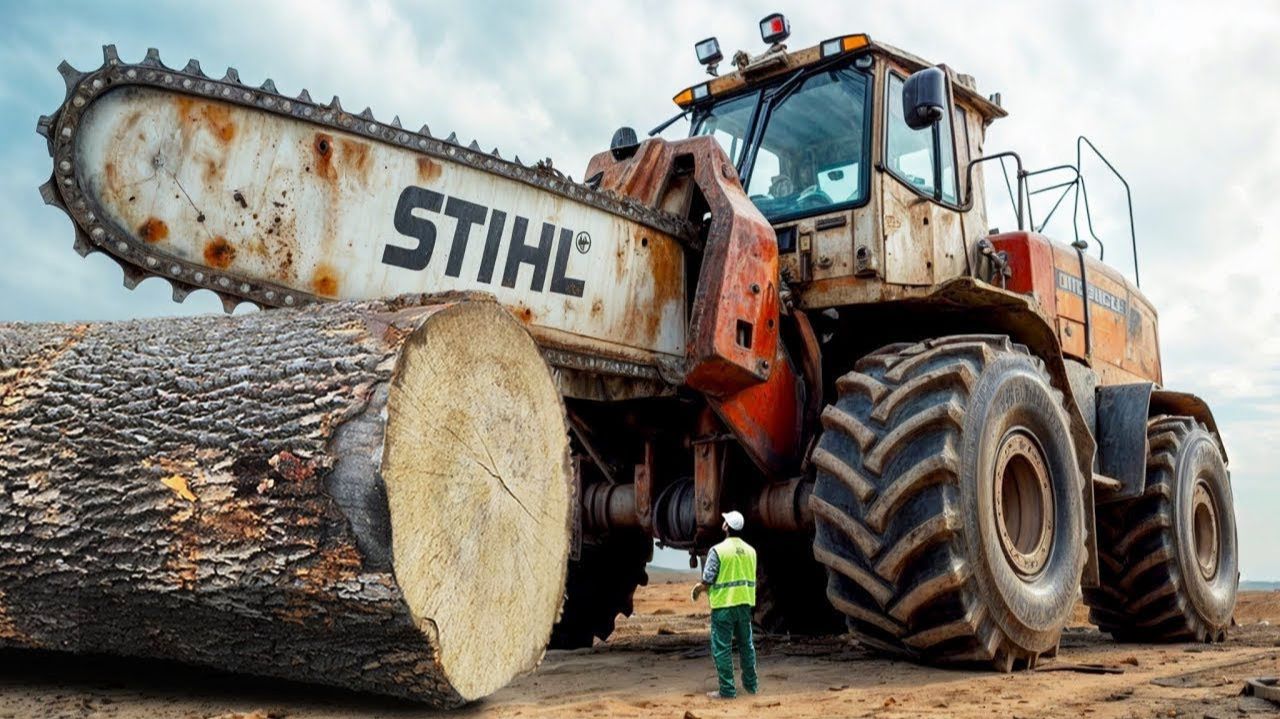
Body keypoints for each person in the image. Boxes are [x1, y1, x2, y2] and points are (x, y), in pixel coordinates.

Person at [690, 510, 759, 699]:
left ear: (726, 527)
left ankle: (727, 691)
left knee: (722, 648)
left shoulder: (718, 551)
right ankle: (751, 686)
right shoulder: (751, 552)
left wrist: (698, 589)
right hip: (744, 605)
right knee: (747, 646)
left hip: (723, 608)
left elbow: (708, 579)